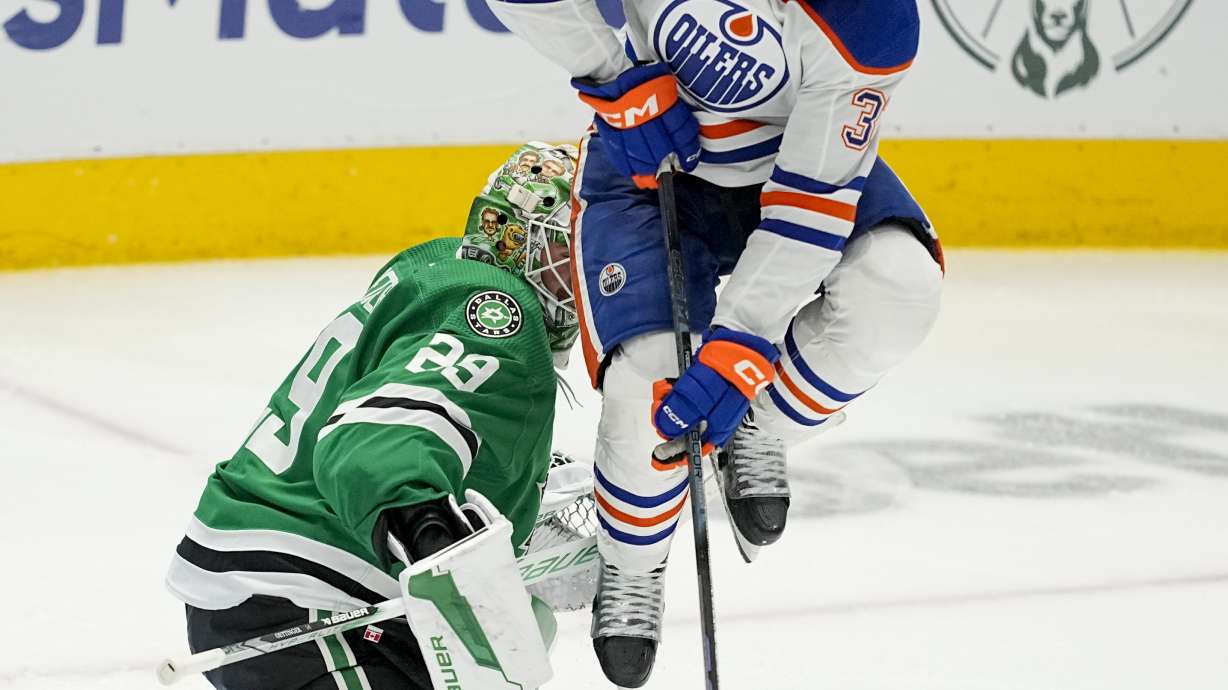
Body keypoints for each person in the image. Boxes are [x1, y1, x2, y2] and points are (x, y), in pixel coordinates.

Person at [486, 0, 945, 685]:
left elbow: (813, 198)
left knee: (898, 287)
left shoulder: (870, 16)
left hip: (791, 170)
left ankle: (758, 420)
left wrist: (742, 346)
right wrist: (609, 71)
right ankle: (633, 566)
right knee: (650, 383)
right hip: (650, 160)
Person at [164, 143, 589, 690]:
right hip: (305, 597)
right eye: (570, 250)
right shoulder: (498, 311)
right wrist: (434, 535)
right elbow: (375, 443)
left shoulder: (439, 269)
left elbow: (405, 403)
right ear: (519, 239)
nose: (587, 272)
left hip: (276, 579)